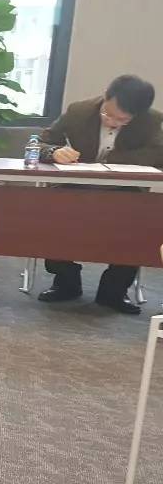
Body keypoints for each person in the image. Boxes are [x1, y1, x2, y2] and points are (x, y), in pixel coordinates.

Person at [36, 74, 163, 314]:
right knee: (52, 215)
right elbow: (38, 143)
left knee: (139, 225)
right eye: (108, 114)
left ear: (137, 115)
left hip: (125, 192)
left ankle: (114, 292)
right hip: (76, 187)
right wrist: (54, 152)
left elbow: (158, 155)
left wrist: (113, 160)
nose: (112, 122)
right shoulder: (79, 111)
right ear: (105, 95)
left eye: (122, 120)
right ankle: (66, 283)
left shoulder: (151, 121)